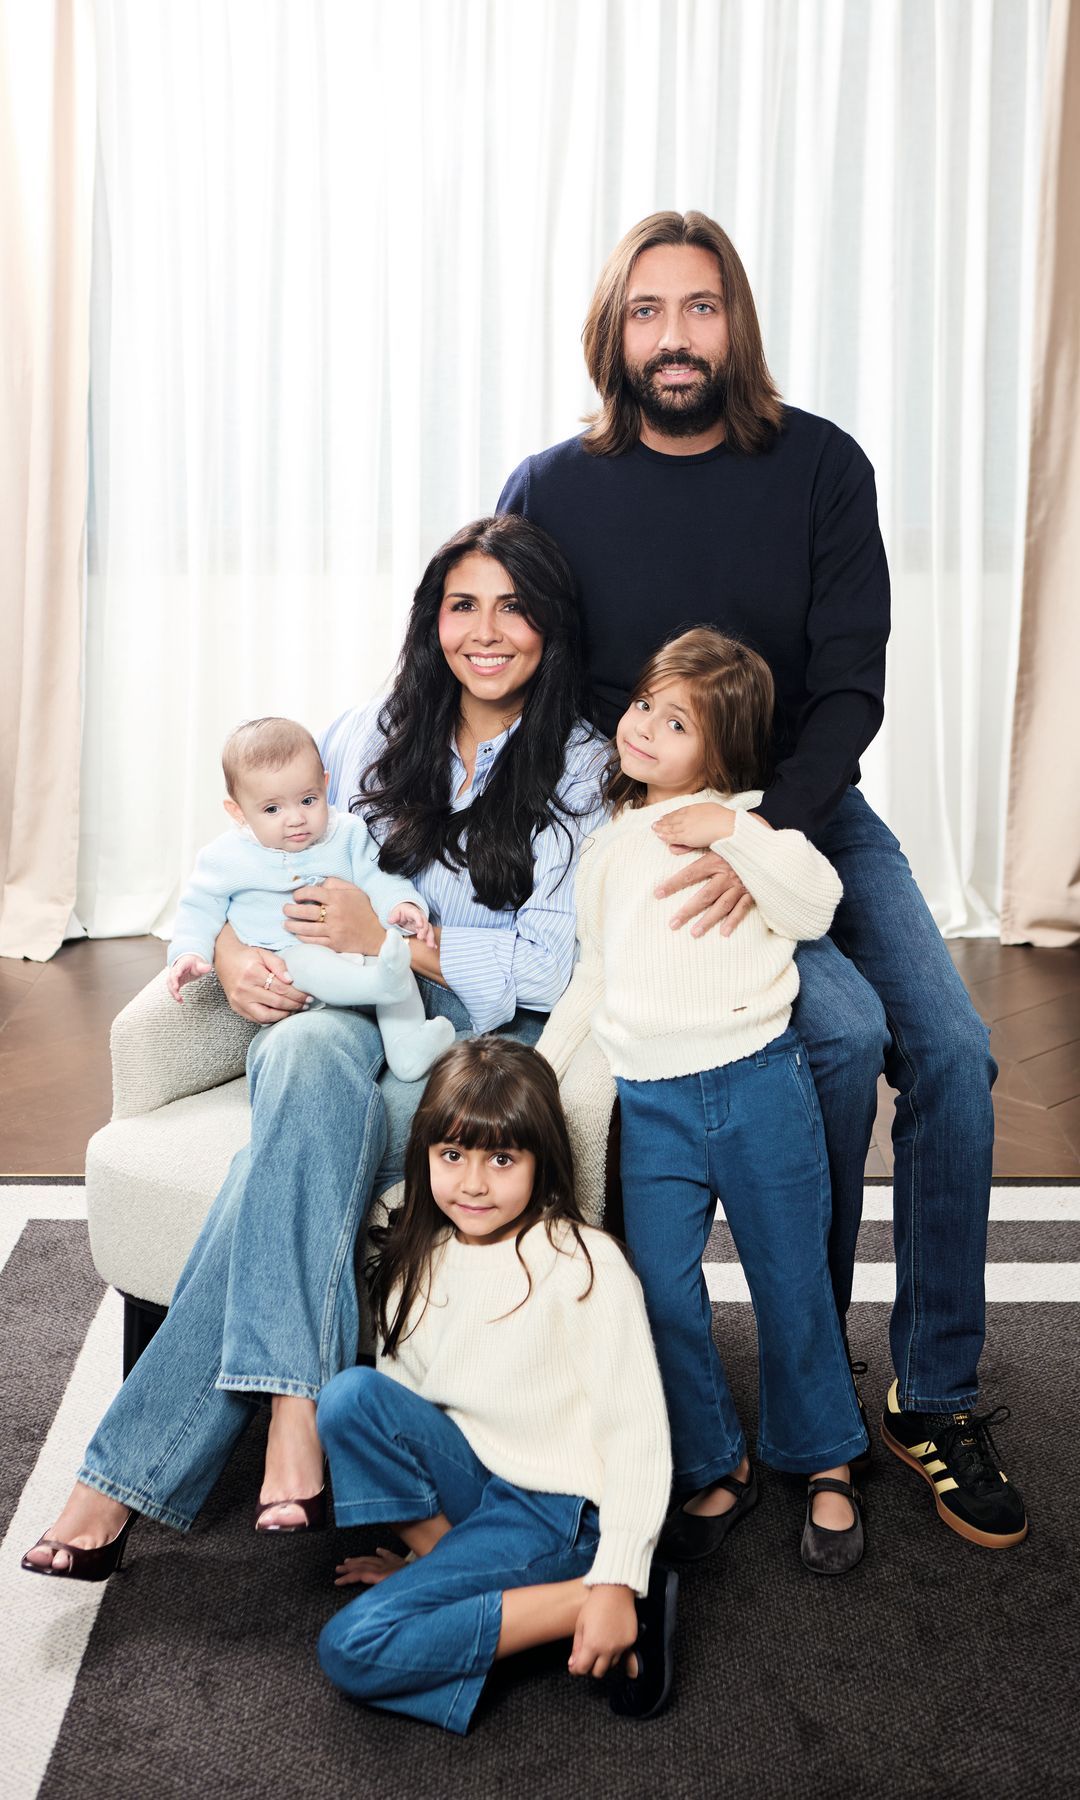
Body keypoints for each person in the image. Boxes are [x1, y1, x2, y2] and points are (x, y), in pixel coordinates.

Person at [499, 209, 1027, 1551]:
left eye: (701, 307)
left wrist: (759, 833)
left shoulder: (822, 465)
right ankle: (809, 1370)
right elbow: (516, 676)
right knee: (837, 1038)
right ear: (613, 332)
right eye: (648, 311)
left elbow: (852, 685)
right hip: (654, 841)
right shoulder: (551, 488)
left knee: (952, 1053)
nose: (675, 336)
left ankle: (933, 1391)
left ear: (736, 322)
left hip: (809, 814)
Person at [21, 514, 606, 1580]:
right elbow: (251, 853)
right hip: (335, 1012)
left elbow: (543, 969)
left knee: (275, 1167)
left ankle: (122, 1478)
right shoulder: (371, 730)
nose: (485, 632)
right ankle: (296, 1406)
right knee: (297, 1058)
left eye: (513, 608)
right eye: (462, 605)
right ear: (432, 619)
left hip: (463, 1042)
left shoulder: (581, 767)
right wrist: (233, 951)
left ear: (551, 626)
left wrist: (393, 941)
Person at [538, 629, 868, 1575]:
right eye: (645, 704)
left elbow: (815, 904)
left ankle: (826, 1458)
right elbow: (594, 974)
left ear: (722, 753)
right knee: (662, 1293)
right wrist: (544, 1077)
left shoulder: (753, 824)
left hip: (759, 1084)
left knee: (791, 1283)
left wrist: (731, 831)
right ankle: (716, 1458)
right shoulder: (609, 847)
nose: (643, 726)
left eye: (676, 722)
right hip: (652, 1104)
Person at [316, 1036, 676, 1731]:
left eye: (502, 1159)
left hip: (558, 1509)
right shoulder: (417, 1262)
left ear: (541, 1162)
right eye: (452, 1155)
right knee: (350, 1398)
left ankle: (601, 1597)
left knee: (352, 1647)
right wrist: (429, 1570)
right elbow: (407, 1414)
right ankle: (452, 1576)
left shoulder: (584, 1264)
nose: (473, 1183)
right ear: (425, 1155)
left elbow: (637, 1434)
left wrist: (616, 1576)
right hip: (478, 1483)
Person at [166, 715, 455, 1084]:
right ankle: (379, 986)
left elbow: (379, 876)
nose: (296, 819)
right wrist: (189, 953)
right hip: (290, 964)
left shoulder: (347, 834)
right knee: (311, 961)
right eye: (272, 809)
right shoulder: (225, 858)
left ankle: (407, 1049)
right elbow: (198, 909)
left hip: (362, 956)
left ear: (325, 785)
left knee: (395, 961)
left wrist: (402, 905)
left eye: (307, 800)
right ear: (238, 812)